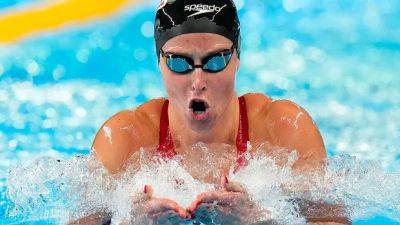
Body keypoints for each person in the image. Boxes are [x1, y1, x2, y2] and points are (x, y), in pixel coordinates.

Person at [70, 0, 351, 224]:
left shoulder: (284, 129)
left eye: (215, 61)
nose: (198, 82)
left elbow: (332, 221)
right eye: (180, 63)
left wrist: (259, 220)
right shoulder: (123, 139)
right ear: (159, 62)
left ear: (237, 57)